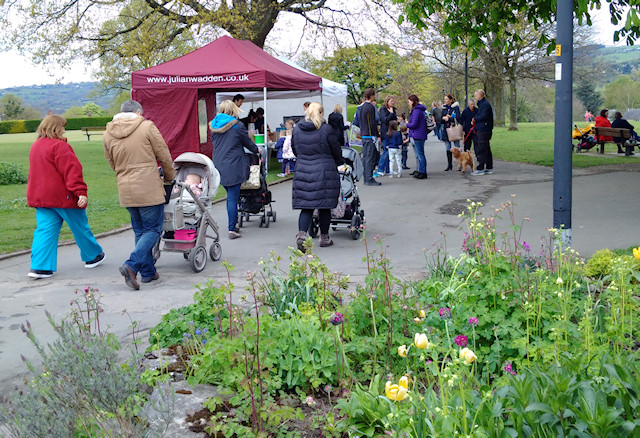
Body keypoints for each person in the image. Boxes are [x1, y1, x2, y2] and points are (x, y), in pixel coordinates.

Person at [103, 99, 174, 290]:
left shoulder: (108, 133)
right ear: (139, 113)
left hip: (125, 187)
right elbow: (163, 154)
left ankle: (148, 272)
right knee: (153, 229)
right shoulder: (146, 126)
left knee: (140, 231)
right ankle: (132, 265)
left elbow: (112, 163)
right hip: (147, 185)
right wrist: (170, 176)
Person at [26, 115, 105, 279]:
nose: (64, 129)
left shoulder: (36, 146)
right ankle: (93, 256)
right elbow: (72, 171)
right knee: (80, 227)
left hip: (42, 197)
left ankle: (40, 267)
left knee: (44, 231)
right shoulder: (60, 146)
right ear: (56, 128)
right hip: (63, 197)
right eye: (62, 127)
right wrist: (80, 191)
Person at [291, 102, 344, 250]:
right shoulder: (326, 129)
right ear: (321, 113)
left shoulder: (297, 130)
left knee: (306, 206)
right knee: (324, 205)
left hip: (303, 169)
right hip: (324, 170)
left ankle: (302, 235)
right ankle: (324, 237)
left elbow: (295, 149)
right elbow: (335, 149)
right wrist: (339, 162)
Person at [210, 100, 260, 239]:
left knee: (231, 194)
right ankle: (232, 228)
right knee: (232, 197)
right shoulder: (237, 126)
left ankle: (235, 223)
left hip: (219, 164)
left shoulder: (213, 125)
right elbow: (247, 142)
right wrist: (257, 150)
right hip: (233, 164)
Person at [360, 88, 381, 186]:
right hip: (369, 135)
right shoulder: (371, 107)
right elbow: (372, 122)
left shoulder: (362, 107)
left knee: (365, 157)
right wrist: (377, 135)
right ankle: (369, 178)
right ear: (371, 96)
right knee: (370, 157)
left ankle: (366, 176)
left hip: (364, 134)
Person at [470, 90, 494, 175]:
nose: (475, 97)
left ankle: (480, 168)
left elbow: (483, 116)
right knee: (486, 148)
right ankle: (489, 167)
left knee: (482, 148)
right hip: (482, 129)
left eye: (476, 96)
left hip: (484, 130)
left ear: (481, 96)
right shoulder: (482, 105)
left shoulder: (485, 105)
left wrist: (475, 119)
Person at [406, 94, 428, 179]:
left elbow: (414, 124)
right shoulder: (418, 110)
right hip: (418, 134)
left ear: (412, 101)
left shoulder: (416, 111)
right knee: (419, 154)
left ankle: (422, 172)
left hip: (418, 134)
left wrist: (407, 124)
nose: (408, 103)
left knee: (420, 154)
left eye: (409, 101)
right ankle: (420, 170)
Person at [376, 95, 398, 177]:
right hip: (385, 132)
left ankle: (389, 169)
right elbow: (385, 120)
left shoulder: (393, 109)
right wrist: (391, 114)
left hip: (393, 132)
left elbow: (394, 119)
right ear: (387, 101)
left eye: (393, 101)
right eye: (391, 101)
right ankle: (381, 169)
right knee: (386, 151)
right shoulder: (383, 110)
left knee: (390, 152)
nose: (393, 102)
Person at [441, 94, 461, 171]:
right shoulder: (444, 108)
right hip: (446, 130)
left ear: (451, 100)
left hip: (454, 129)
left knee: (457, 147)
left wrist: (449, 119)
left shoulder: (455, 108)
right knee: (448, 147)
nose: (445, 101)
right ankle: (449, 165)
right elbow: (441, 120)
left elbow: (458, 118)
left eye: (446, 99)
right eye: (444, 99)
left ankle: (459, 163)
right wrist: (444, 118)